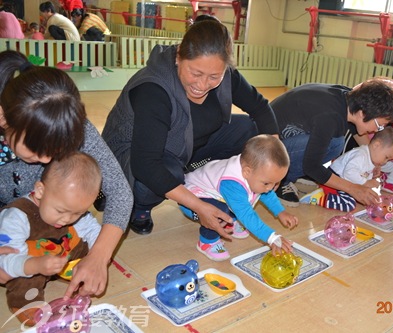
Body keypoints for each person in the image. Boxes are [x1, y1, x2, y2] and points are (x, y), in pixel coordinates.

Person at [102, 17, 279, 236]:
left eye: (214, 76)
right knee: (166, 173)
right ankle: (140, 207)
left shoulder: (227, 76)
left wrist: (275, 159)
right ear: (178, 57)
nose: (202, 85)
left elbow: (260, 107)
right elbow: (145, 164)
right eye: (195, 73)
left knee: (248, 131)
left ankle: (207, 181)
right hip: (133, 159)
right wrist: (197, 206)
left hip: (185, 147)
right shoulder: (153, 89)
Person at [0, 50, 133, 299]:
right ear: (3, 117)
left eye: (57, 148)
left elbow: (120, 192)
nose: (48, 159)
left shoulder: (71, 125)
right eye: (38, 149)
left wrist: (99, 257)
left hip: (40, 219)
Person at [0, 152, 102, 326]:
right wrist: (37, 265)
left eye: (77, 213)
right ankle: (24, 303)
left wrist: (95, 261)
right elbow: (6, 260)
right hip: (28, 262)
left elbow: (93, 230)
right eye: (61, 211)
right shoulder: (16, 216)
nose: (67, 219)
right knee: (23, 277)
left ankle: (67, 271)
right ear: (40, 191)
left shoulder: (70, 208)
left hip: (61, 254)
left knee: (85, 245)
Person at [269, 79, 393, 207]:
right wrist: (354, 189)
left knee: (336, 143)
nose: (377, 130)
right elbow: (312, 166)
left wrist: (372, 158)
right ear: (363, 114)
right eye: (380, 125)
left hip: (282, 139)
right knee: (334, 144)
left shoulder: (349, 101)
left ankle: (296, 172)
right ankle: (282, 180)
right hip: (265, 149)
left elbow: (356, 132)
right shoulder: (330, 117)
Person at [180, 135, 298, 261]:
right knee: (220, 210)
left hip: (217, 194)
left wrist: (280, 211)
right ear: (247, 172)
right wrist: (271, 237)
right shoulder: (231, 183)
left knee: (239, 201)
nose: (271, 187)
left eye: (276, 183)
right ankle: (207, 241)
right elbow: (246, 215)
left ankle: (229, 222)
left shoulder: (254, 171)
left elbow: (265, 193)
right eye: (267, 183)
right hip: (192, 199)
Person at [300, 127, 393, 211]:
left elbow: (364, 176)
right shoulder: (361, 155)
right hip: (334, 181)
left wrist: (370, 185)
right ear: (376, 145)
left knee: (363, 199)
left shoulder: (372, 159)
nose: (385, 162)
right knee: (349, 204)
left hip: (346, 182)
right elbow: (349, 173)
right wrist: (366, 183)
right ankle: (319, 198)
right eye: (386, 157)